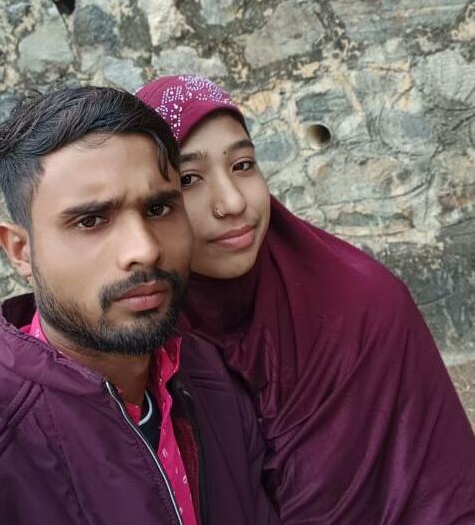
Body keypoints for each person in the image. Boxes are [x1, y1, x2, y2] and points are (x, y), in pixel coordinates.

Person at [137, 74, 475, 525]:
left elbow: (444, 494)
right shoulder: (140, 337)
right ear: (152, 205)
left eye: (243, 165)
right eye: (188, 179)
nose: (232, 202)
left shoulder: (364, 308)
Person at [0, 86, 280, 525]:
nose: (145, 250)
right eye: (91, 220)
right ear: (21, 250)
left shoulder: (211, 378)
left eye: (159, 208)